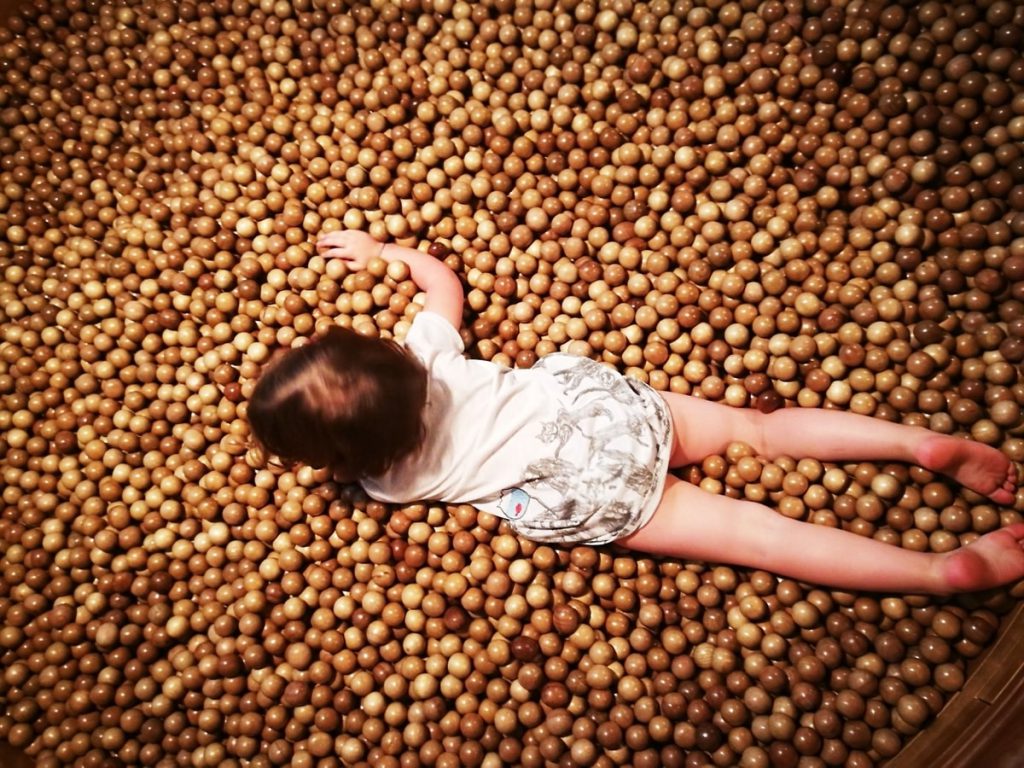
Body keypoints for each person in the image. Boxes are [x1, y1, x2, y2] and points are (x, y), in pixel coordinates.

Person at [248, 230, 1024, 595]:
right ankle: (918, 442)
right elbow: (440, 285)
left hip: (585, 492)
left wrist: (343, 466)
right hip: (610, 415)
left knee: (762, 537)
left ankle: (941, 571)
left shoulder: (388, 482)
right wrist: (390, 254)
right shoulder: (429, 358)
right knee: (761, 426)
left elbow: (352, 466)